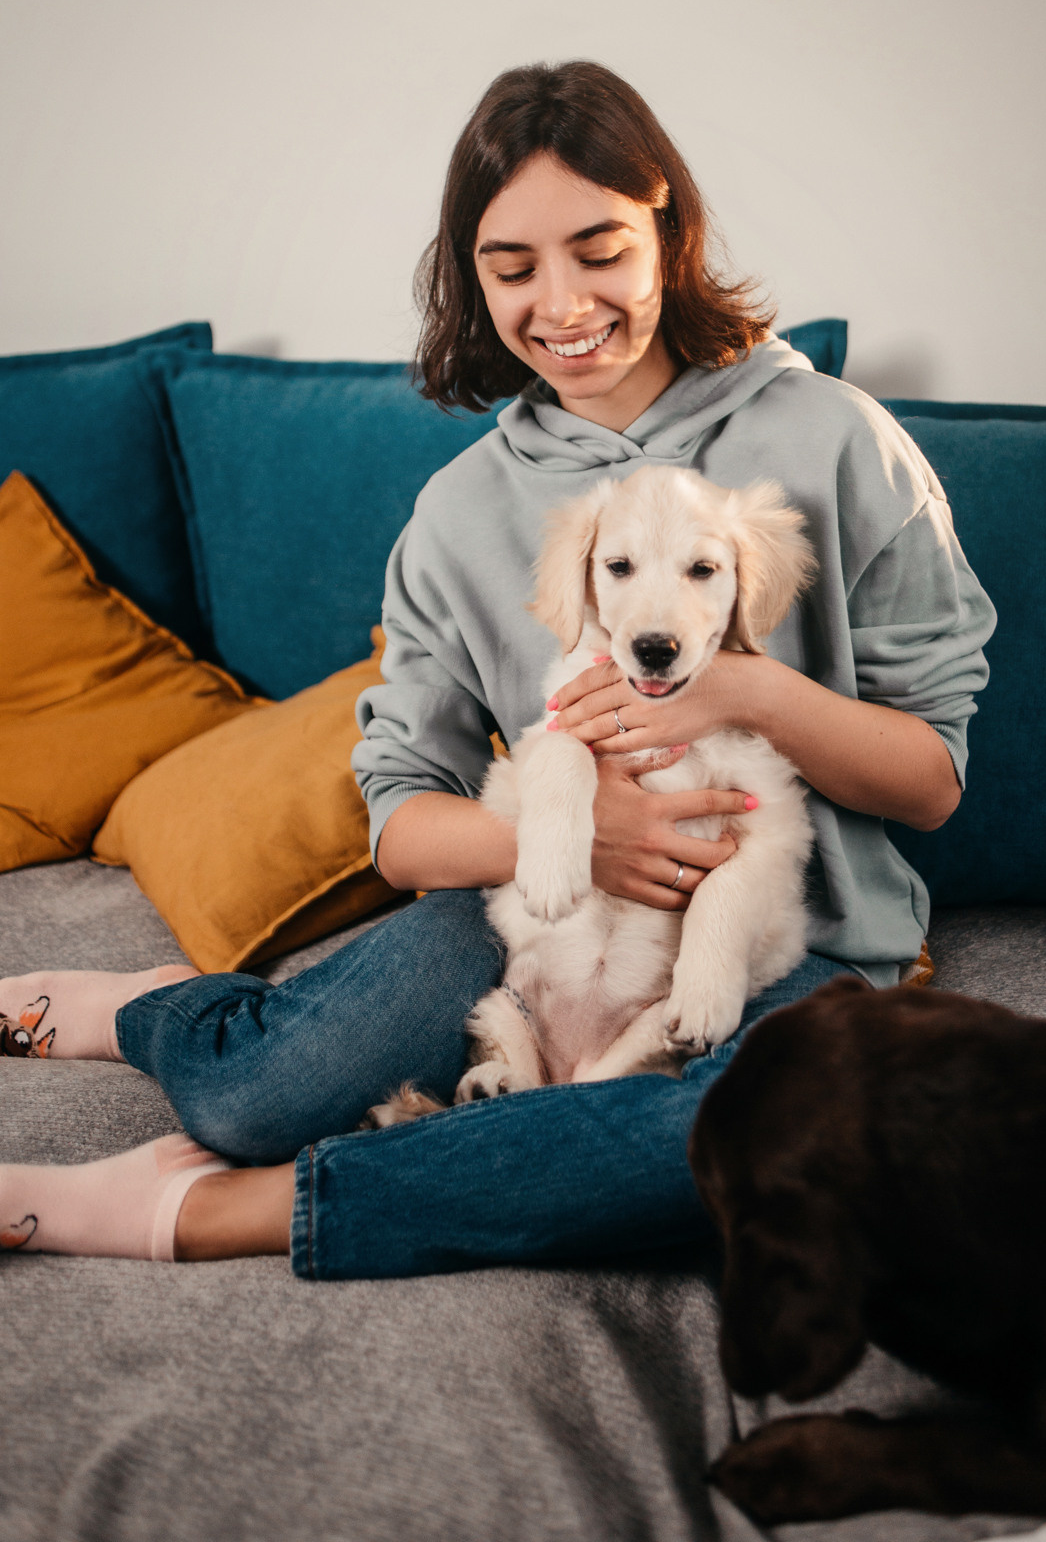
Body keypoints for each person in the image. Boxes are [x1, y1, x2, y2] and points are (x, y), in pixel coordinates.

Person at [0, 62, 995, 1276]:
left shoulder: (835, 438)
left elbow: (931, 783)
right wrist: (584, 838)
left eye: (598, 249)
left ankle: (212, 1213)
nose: (561, 303)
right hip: (542, 908)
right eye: (512, 268)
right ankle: (152, 1010)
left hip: (803, 941)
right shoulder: (458, 512)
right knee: (251, 1101)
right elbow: (400, 825)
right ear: (470, 278)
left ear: (666, 233)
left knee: (749, 1142)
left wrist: (745, 689)